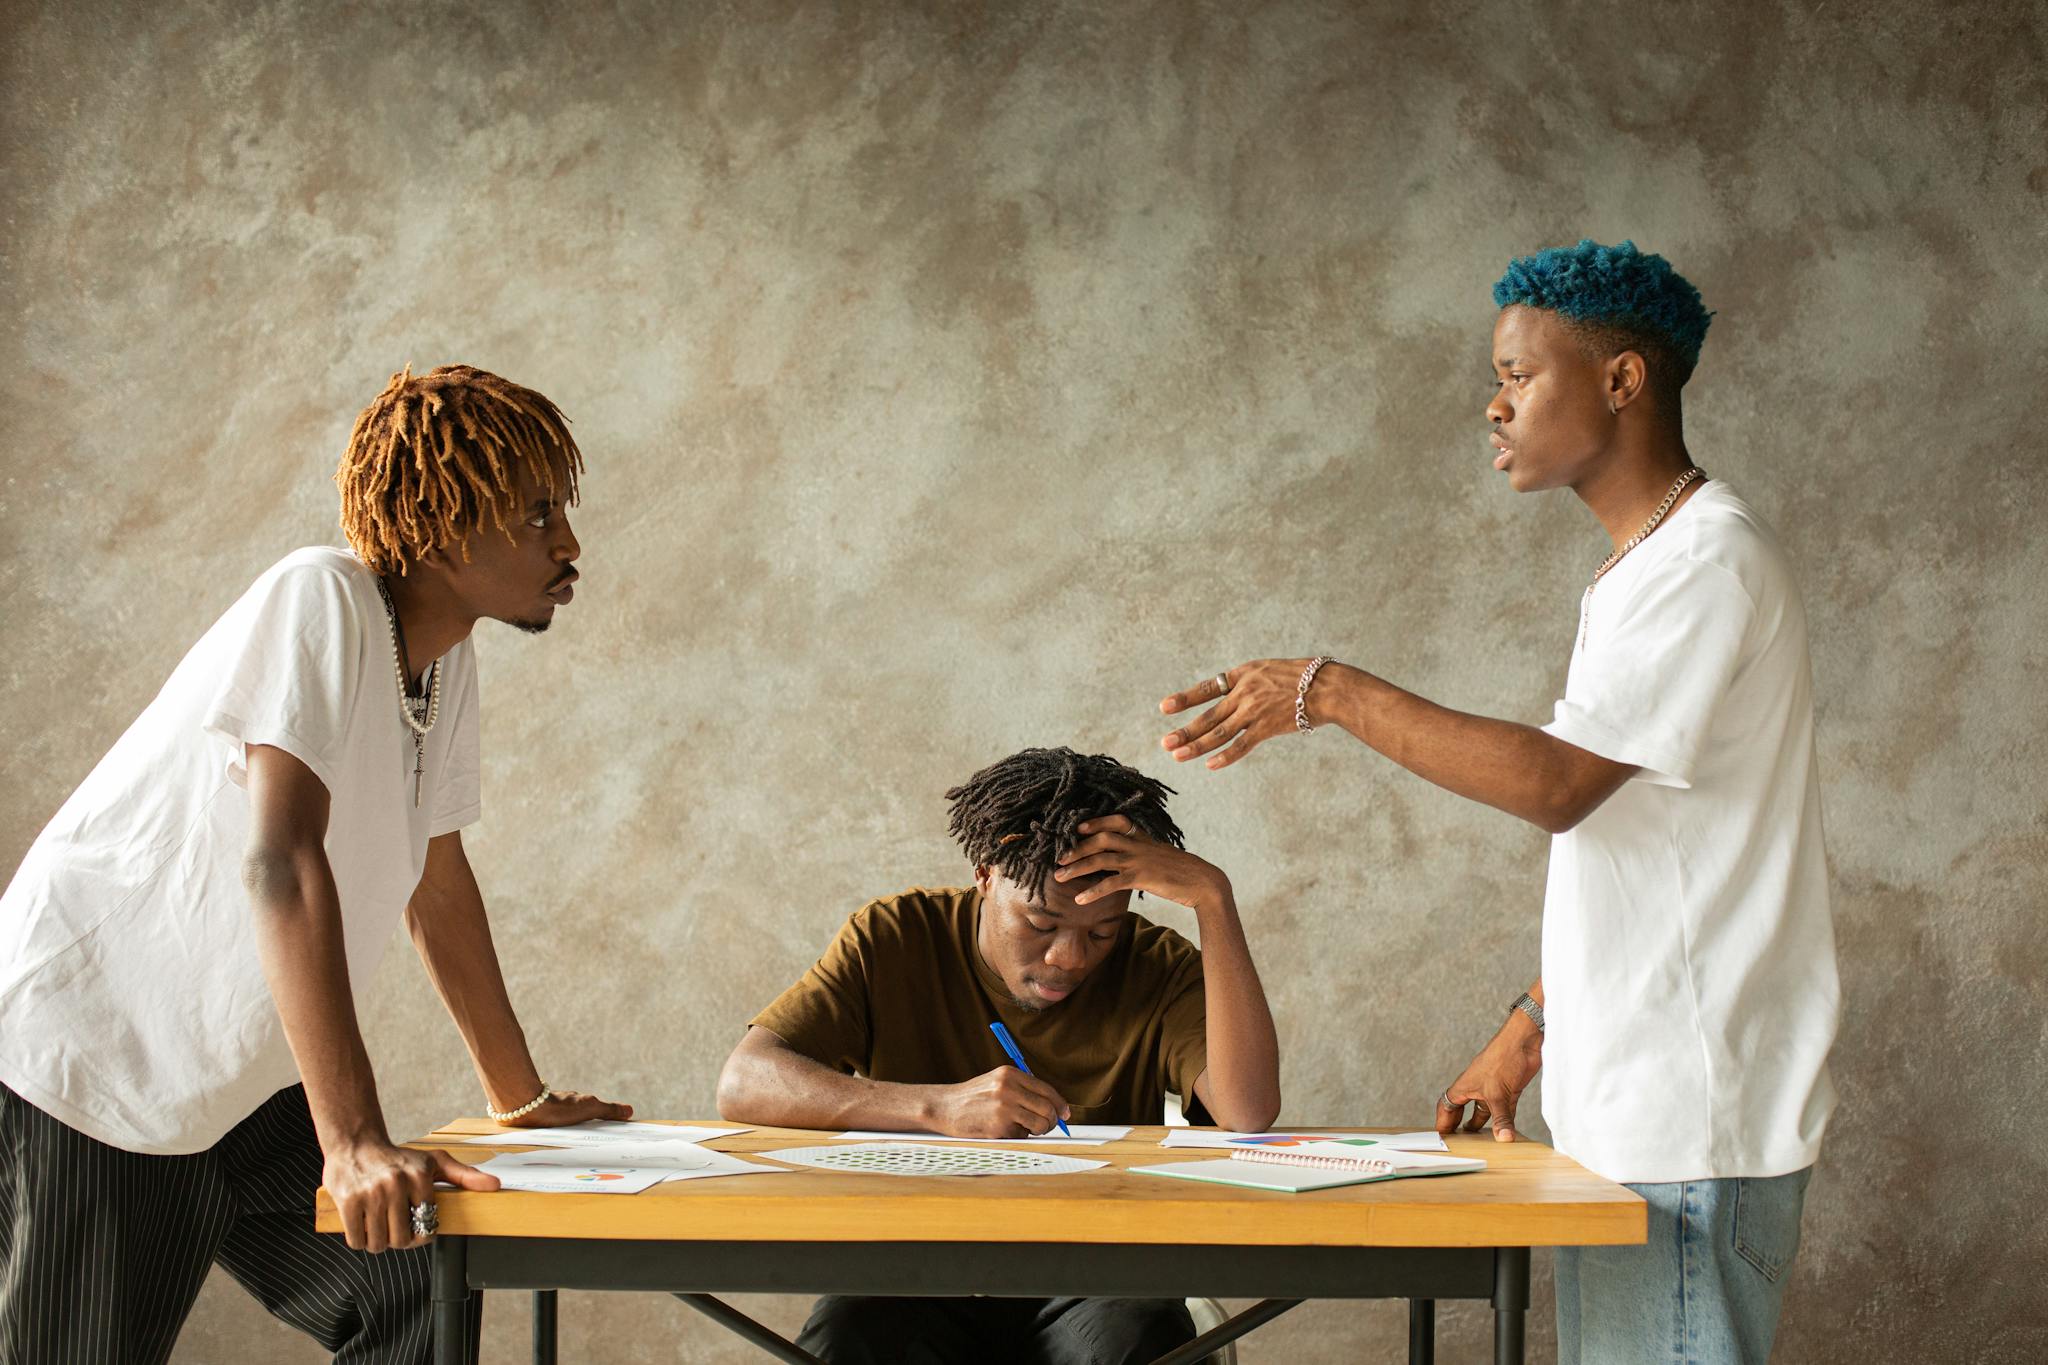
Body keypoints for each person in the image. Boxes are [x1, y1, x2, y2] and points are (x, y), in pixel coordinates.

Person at [1154, 240, 1838, 1365]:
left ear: (1620, 381)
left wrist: (1323, 691)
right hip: (1644, 1112)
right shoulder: (1646, 569)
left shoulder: (1700, 565)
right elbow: (1653, 856)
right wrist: (1526, 1037)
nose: (1494, 402)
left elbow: (1556, 788)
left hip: (1688, 1119)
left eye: (1518, 374)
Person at [0, 365, 632, 1364]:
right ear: (440, 523)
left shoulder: (445, 660)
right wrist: (350, 1144)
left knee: (416, 1277)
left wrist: (518, 1098)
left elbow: (437, 879)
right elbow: (280, 861)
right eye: (536, 512)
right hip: (91, 1067)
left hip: (232, 1090)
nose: (568, 543)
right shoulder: (320, 597)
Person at [717, 746, 1280, 1365]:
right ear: (985, 873)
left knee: (1141, 1340)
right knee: (850, 1339)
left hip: (1096, 1274)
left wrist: (1214, 899)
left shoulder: (1158, 967)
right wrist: (936, 1108)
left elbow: (1247, 1109)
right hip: (913, 1271)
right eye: (1041, 923)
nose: (1069, 958)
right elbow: (746, 1081)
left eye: (1101, 933)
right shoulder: (895, 937)